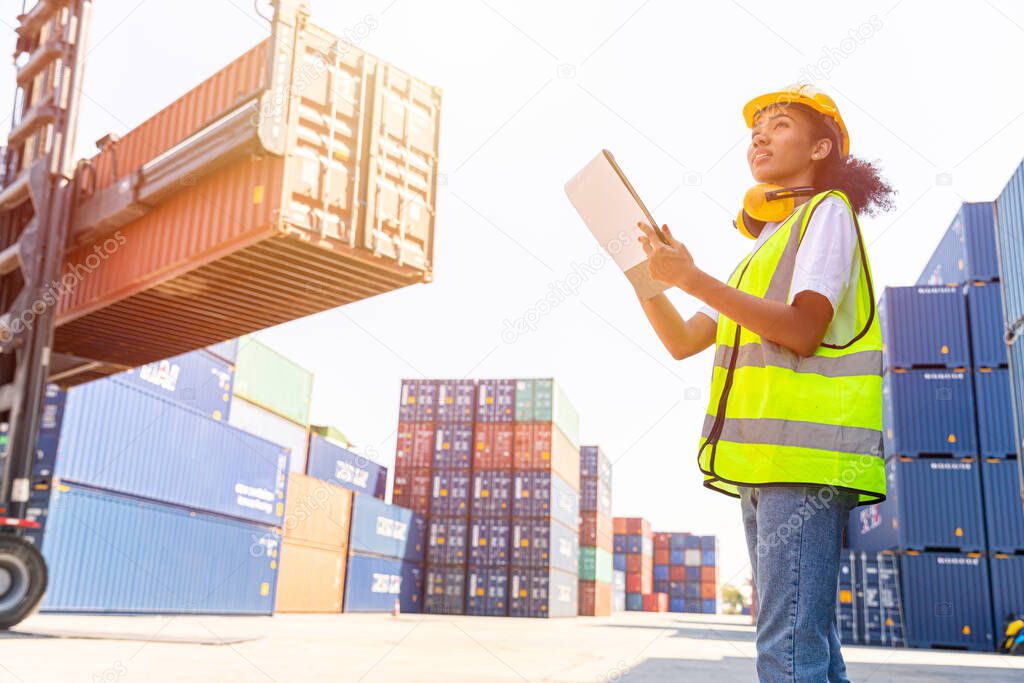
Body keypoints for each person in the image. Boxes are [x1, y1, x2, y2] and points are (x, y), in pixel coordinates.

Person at [634, 84, 895, 682]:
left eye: (779, 125)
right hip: (766, 465)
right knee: (811, 649)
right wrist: (645, 275)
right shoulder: (761, 253)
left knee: (786, 651)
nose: (759, 135)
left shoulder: (828, 213)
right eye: (757, 128)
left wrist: (693, 277)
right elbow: (683, 341)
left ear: (820, 147)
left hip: (803, 466)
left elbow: (804, 329)